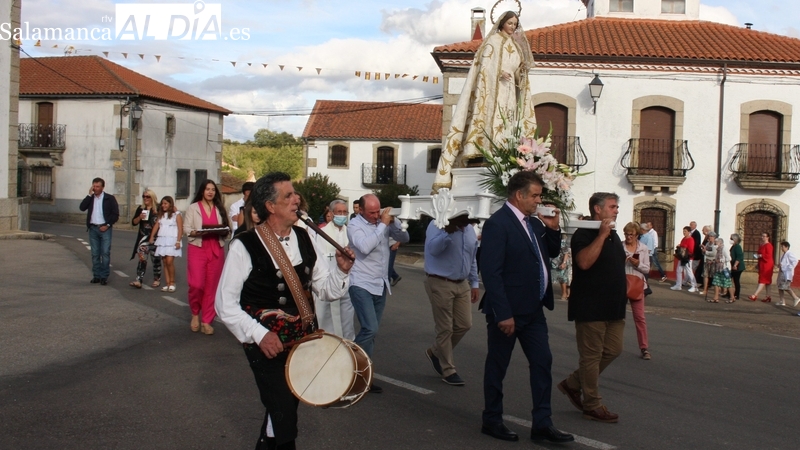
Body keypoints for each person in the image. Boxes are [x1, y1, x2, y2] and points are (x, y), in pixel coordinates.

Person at [215, 172, 354, 450]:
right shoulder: (245, 245)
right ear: (270, 206)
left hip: (301, 341)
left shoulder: (305, 237)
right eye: (288, 196)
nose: (296, 199)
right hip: (265, 345)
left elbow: (326, 290)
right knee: (283, 411)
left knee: (282, 410)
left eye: (295, 194)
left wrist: (341, 271)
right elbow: (224, 304)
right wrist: (259, 334)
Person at [480, 171, 573, 444]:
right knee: (498, 366)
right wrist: (503, 313)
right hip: (508, 312)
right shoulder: (498, 224)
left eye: (539, 196)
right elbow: (491, 272)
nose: (539, 200)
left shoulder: (533, 223)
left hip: (533, 311)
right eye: (535, 195)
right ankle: (492, 419)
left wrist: (553, 228)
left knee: (543, 362)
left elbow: (550, 253)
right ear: (519, 195)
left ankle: (542, 424)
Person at [432, 9, 536, 191]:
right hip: (491, 93)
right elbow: (484, 68)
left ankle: (504, 153)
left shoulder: (517, 46)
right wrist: (498, 73)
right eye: (510, 23)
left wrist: (520, 75)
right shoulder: (492, 41)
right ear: (502, 23)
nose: (512, 27)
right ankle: (483, 151)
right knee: (488, 120)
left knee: (507, 123)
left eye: (515, 24)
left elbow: (519, 70)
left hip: (509, 93)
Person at [558, 192, 626, 424]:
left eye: (617, 207)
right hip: (591, 306)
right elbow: (584, 262)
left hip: (614, 306)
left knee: (613, 350)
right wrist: (602, 235)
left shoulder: (613, 233)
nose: (616, 210)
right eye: (612, 206)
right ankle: (592, 405)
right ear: (598, 209)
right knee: (591, 357)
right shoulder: (584, 233)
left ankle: (572, 383)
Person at [347, 193, 410, 393]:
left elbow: (405, 238)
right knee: (370, 329)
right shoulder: (354, 225)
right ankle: (347, 365)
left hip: (380, 284)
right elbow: (365, 247)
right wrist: (382, 224)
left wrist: (394, 222)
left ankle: (363, 376)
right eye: (371, 213)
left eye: (378, 211)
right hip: (361, 283)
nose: (376, 216)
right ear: (361, 210)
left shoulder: (383, 223)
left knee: (371, 334)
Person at [423, 214, 479, 387]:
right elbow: (432, 249)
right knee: (445, 328)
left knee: (464, 324)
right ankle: (448, 370)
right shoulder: (436, 225)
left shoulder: (470, 230)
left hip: (462, 283)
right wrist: (448, 232)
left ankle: (435, 351)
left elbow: (472, 257)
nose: (469, 223)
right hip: (439, 281)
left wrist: (474, 282)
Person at [184, 179, 230, 335]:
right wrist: (197, 232)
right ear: (202, 191)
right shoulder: (193, 208)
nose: (210, 192)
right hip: (198, 248)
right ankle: (195, 313)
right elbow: (187, 228)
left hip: (216, 249)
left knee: (212, 287)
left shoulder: (220, 208)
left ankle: (206, 320)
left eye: (213, 189)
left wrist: (224, 231)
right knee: (196, 284)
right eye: (207, 189)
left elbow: (227, 228)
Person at [314, 199, 356, 340]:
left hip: (346, 280)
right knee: (326, 318)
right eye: (339, 212)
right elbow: (319, 257)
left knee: (346, 319)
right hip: (327, 280)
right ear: (331, 214)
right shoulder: (322, 233)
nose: (342, 215)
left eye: (345, 212)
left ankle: (347, 344)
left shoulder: (350, 232)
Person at [79, 177, 120, 285]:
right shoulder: (91, 198)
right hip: (93, 228)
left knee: (105, 253)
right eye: (94, 186)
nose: (95, 188)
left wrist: (107, 225)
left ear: (102, 187)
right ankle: (96, 276)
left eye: (98, 186)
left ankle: (104, 276)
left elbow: (115, 214)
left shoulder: (109, 198)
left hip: (105, 228)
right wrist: (89, 195)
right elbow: (82, 208)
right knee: (95, 254)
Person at [623, 222, 651, 360]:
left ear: (637, 235)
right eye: (626, 234)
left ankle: (644, 347)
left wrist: (637, 263)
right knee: (617, 317)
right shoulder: (620, 247)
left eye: (631, 234)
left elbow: (647, 269)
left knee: (640, 318)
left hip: (637, 285)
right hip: (622, 285)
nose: (628, 237)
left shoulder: (643, 248)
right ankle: (611, 345)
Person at [149, 196, 183, 292]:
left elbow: (180, 228)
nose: (163, 205)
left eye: (165, 203)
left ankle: (172, 282)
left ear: (170, 204)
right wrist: (152, 236)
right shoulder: (161, 215)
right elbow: (156, 226)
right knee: (164, 262)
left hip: (172, 241)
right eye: (162, 204)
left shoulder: (177, 215)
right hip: (163, 240)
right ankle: (167, 283)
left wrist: (178, 241)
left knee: (169, 261)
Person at [129, 189, 161, 289]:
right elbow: (134, 222)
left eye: (148, 196)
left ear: (152, 197)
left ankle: (156, 279)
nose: (145, 198)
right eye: (144, 196)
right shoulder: (141, 208)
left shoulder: (158, 208)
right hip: (143, 238)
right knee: (142, 259)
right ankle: (139, 279)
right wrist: (139, 217)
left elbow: (171, 211)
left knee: (156, 260)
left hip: (156, 238)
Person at [748, 232, 775, 302]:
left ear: (767, 237)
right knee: (767, 281)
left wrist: (760, 255)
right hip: (762, 263)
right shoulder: (762, 245)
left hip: (767, 264)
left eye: (764, 236)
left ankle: (755, 295)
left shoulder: (769, 245)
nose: (762, 237)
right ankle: (768, 296)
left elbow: (768, 255)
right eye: (762, 236)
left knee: (763, 280)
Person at [671, 227, 698, 292]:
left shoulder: (691, 239)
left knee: (689, 271)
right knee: (678, 270)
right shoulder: (684, 238)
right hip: (682, 257)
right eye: (683, 231)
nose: (684, 232)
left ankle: (694, 286)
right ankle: (678, 285)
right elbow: (682, 245)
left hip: (688, 258)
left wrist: (683, 246)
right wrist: (680, 246)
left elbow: (691, 250)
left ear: (689, 232)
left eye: (685, 231)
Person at [775, 242, 800, 307]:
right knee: (780, 286)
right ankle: (782, 301)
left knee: (785, 287)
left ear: (786, 247)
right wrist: (780, 265)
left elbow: (795, 261)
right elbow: (783, 263)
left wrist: (788, 267)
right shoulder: (783, 255)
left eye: (782, 246)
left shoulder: (789, 253)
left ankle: (795, 297)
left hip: (786, 273)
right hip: (782, 272)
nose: (781, 248)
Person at [710, 237, 731, 303]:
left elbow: (729, 258)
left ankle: (732, 297)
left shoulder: (724, 249)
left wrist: (720, 260)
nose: (715, 244)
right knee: (716, 283)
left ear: (720, 243)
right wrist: (714, 261)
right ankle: (716, 298)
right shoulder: (718, 249)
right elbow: (717, 258)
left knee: (727, 284)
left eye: (716, 243)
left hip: (724, 268)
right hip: (718, 268)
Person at [551, 234, 572, 300]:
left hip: (560, 262)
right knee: (555, 278)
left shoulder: (561, 242)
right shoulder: (549, 242)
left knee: (562, 278)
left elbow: (566, 253)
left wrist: (564, 262)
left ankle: (564, 293)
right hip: (552, 263)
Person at [728, 233, 745, 302]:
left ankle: (736, 294)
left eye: (731, 239)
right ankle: (729, 293)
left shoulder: (738, 247)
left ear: (735, 239)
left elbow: (739, 257)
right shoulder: (733, 246)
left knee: (736, 280)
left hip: (738, 267)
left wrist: (735, 265)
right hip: (732, 266)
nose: (730, 240)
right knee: (729, 279)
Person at [700, 231, 718, 296]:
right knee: (705, 275)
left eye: (711, 236)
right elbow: (704, 252)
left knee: (714, 277)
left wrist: (706, 251)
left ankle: (718, 292)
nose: (709, 237)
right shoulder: (707, 243)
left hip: (713, 262)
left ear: (714, 237)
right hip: (706, 261)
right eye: (709, 236)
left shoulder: (715, 244)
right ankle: (705, 290)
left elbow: (714, 253)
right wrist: (703, 250)